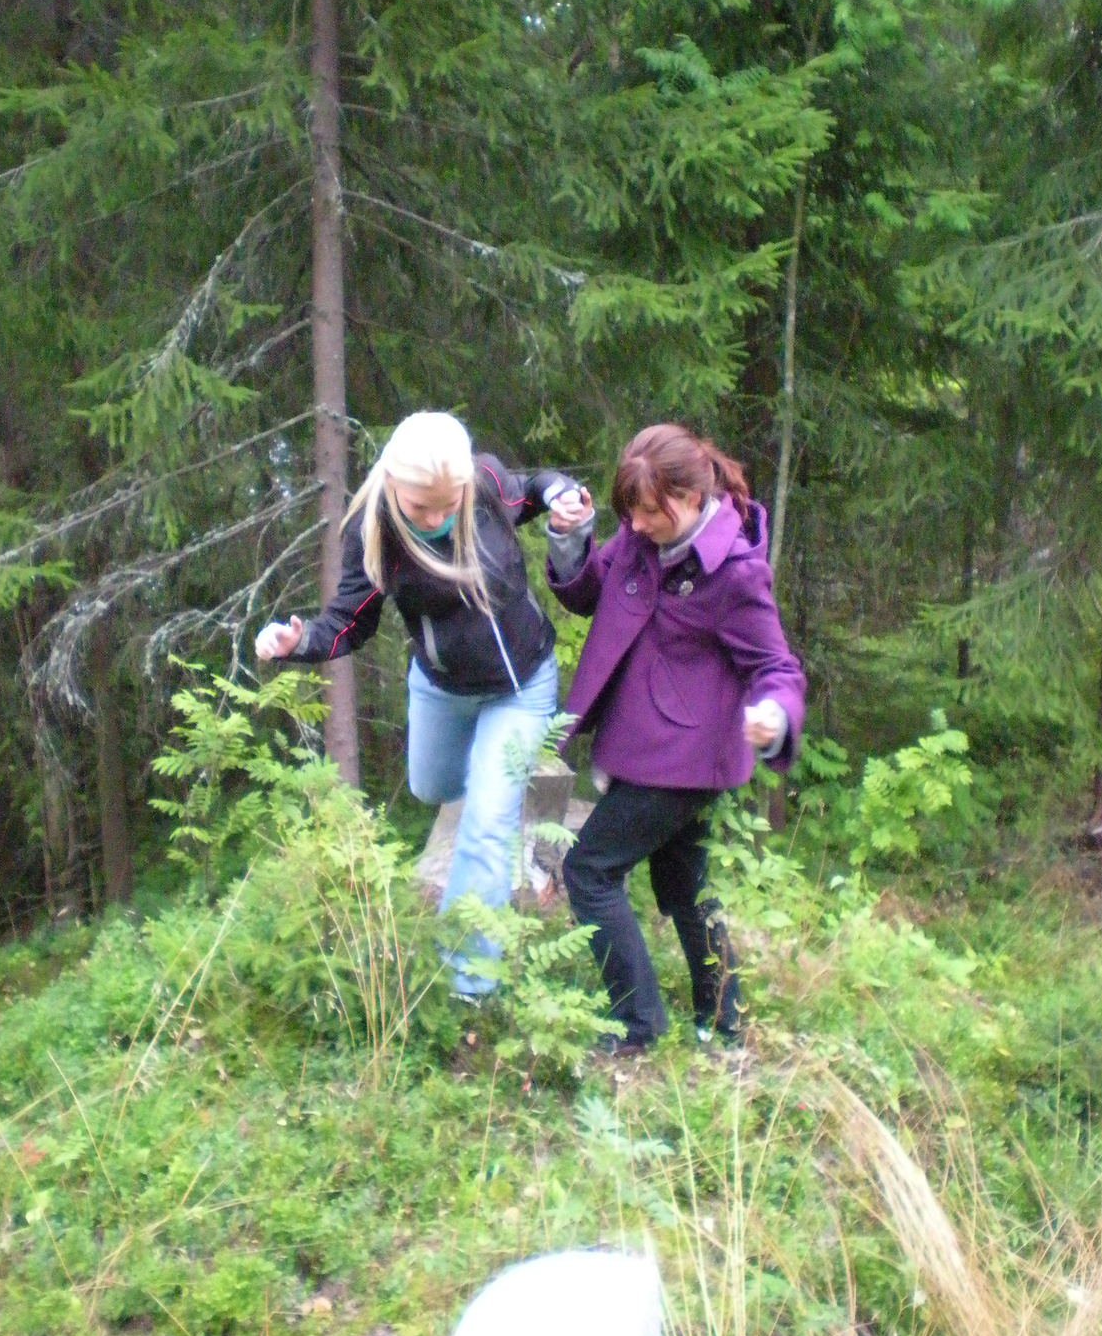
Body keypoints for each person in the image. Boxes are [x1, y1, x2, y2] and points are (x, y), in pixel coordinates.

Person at [255, 411, 586, 995]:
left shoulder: (482, 481)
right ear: (392, 486)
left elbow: (534, 489)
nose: (436, 519)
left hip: (522, 686)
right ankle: (484, 788)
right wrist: (298, 641)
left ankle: (463, 984)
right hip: (440, 686)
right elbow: (348, 623)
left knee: (487, 821)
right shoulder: (372, 529)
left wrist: (560, 493)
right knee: (431, 788)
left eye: (447, 506)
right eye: (420, 508)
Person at [546, 423, 806, 1052]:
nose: (634, 527)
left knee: (588, 871)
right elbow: (587, 594)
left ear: (690, 498)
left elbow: (777, 668)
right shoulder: (641, 539)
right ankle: (725, 1025)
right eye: (628, 514)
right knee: (684, 885)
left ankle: (639, 1025)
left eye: (646, 513)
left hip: (683, 758)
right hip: (649, 746)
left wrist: (774, 714)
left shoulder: (736, 573)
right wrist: (569, 537)